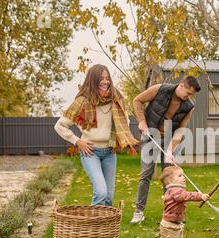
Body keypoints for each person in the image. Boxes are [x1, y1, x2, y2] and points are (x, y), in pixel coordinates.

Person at [54, 64, 138, 206]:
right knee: (100, 192)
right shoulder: (82, 101)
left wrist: (117, 141)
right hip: (90, 152)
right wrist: (78, 142)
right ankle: (94, 225)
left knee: (109, 197)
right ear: (93, 80)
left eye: (107, 78)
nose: (105, 82)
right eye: (101, 79)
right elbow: (60, 126)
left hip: (109, 153)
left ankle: (106, 228)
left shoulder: (116, 99)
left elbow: (125, 121)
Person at [130, 76, 201, 224]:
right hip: (150, 135)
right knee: (146, 175)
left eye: (191, 95)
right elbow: (137, 101)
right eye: (187, 93)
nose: (188, 97)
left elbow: (181, 129)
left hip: (169, 140)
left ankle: (170, 213)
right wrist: (142, 122)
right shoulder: (159, 89)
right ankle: (139, 212)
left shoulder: (188, 106)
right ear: (181, 86)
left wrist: (170, 149)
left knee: (170, 179)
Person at [160, 166, 210, 238]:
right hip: (169, 224)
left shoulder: (177, 190)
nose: (183, 177)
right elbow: (185, 196)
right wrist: (200, 196)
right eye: (180, 175)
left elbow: (184, 194)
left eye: (183, 175)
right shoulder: (174, 191)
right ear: (170, 180)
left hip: (176, 222)